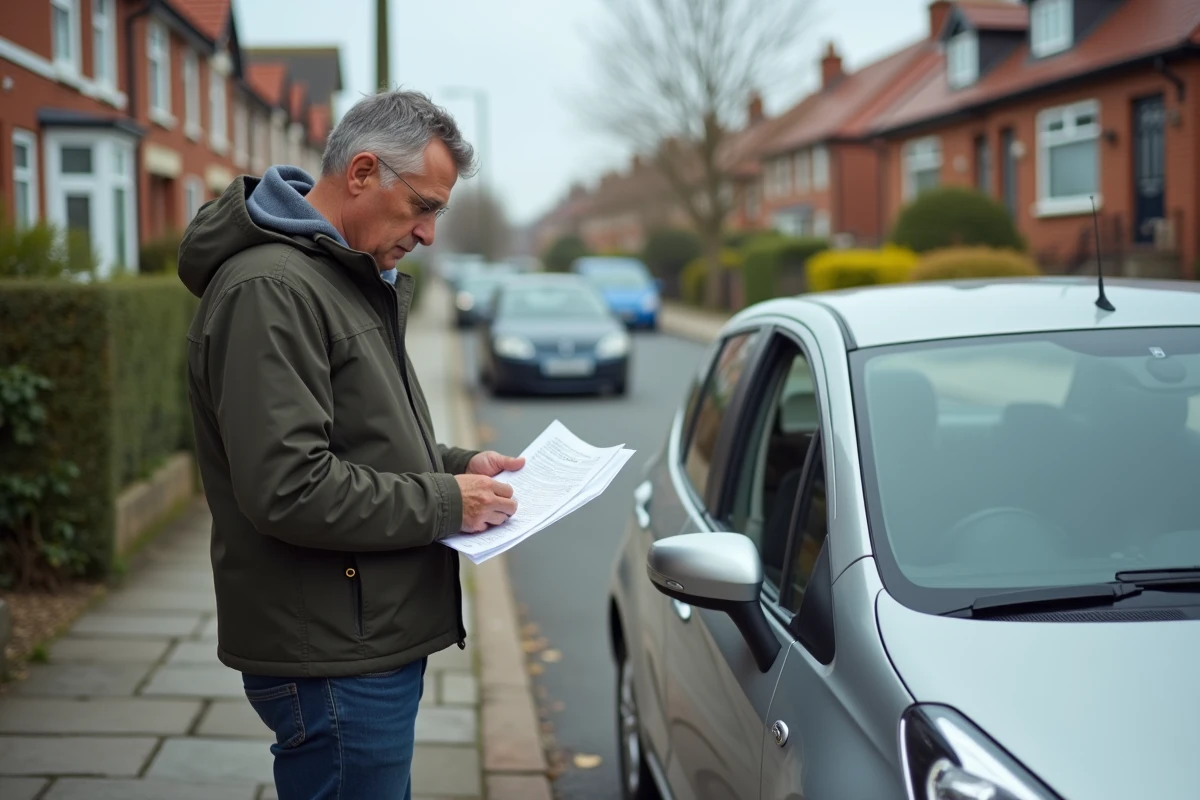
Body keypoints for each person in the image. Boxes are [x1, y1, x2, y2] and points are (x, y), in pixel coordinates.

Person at [177, 89, 523, 800]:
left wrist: (460, 467)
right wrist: (446, 501)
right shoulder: (272, 288)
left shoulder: (339, 274)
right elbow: (290, 487)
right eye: (422, 206)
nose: (428, 233)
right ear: (362, 172)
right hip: (332, 655)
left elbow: (360, 435)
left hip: (357, 635)